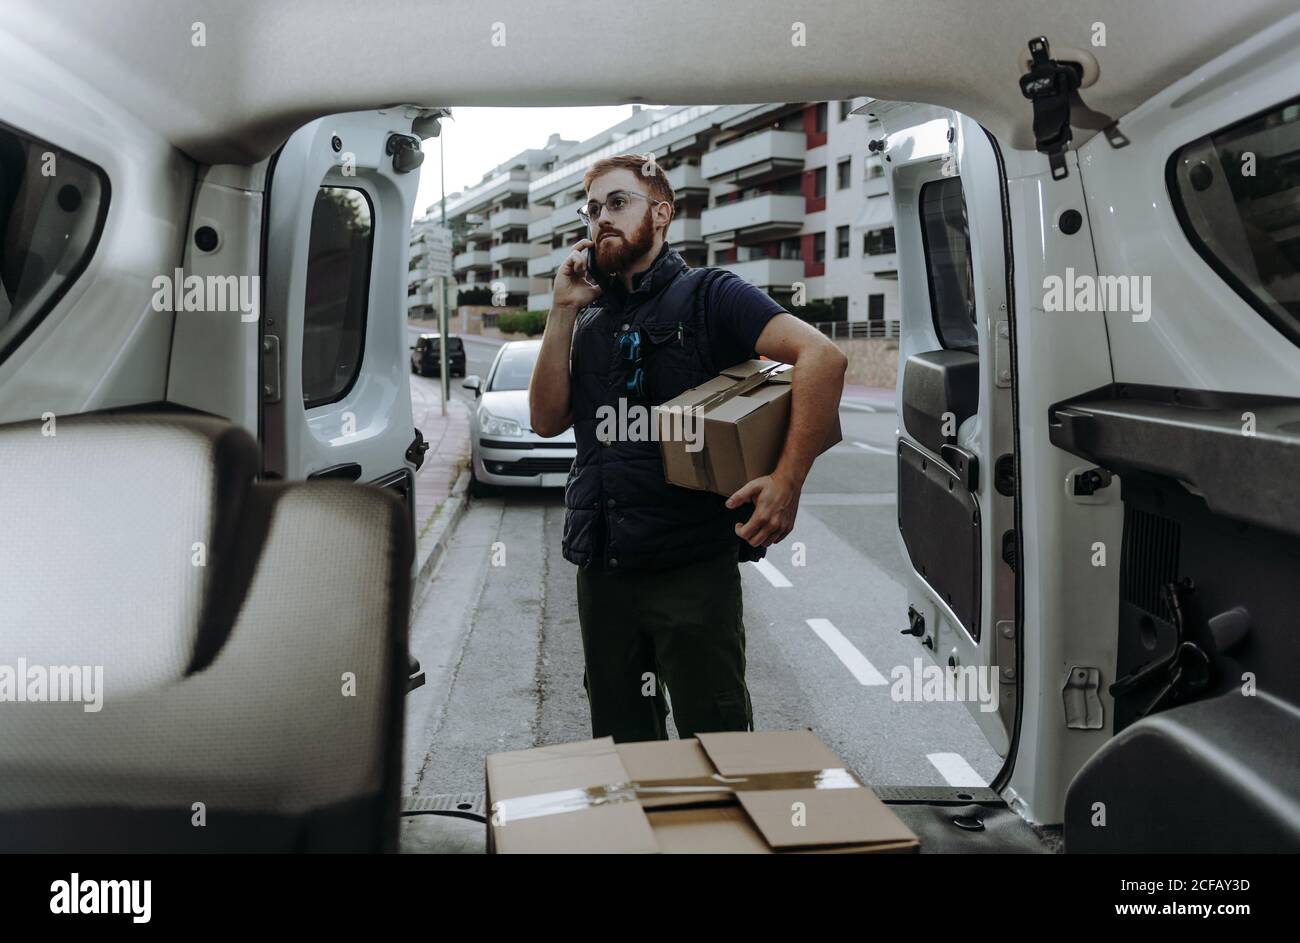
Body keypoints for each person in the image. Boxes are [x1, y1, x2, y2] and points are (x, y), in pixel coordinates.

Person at [529, 153, 846, 743]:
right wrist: (562, 309)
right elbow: (546, 419)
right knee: (623, 739)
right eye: (592, 209)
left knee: (717, 735)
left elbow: (823, 358)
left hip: (691, 568)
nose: (601, 220)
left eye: (618, 203)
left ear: (663, 213)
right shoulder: (590, 315)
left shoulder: (710, 296)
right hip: (602, 567)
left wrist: (787, 482)